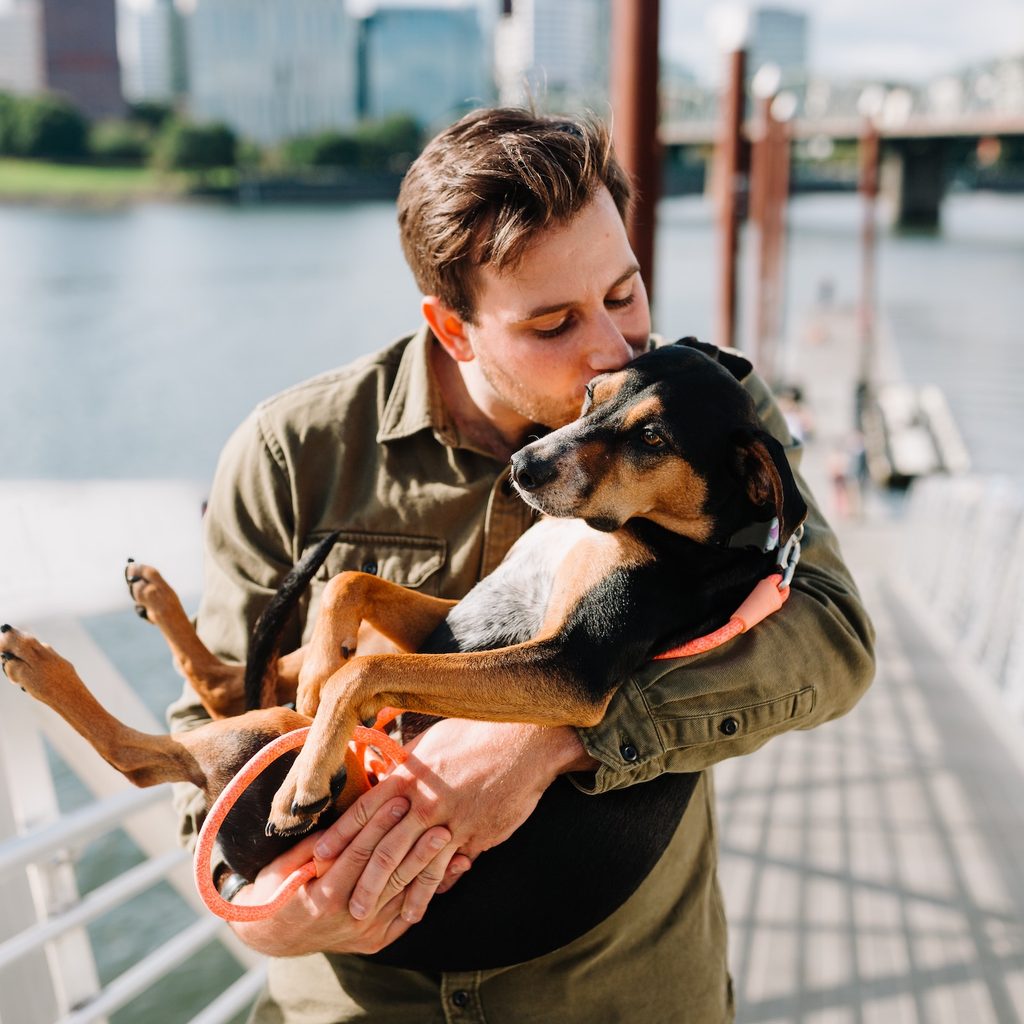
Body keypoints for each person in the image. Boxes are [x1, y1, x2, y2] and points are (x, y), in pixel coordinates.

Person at [169, 107, 874, 1023]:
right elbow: (205, 732)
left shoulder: (712, 410)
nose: (612, 350)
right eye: (551, 323)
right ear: (452, 329)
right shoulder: (288, 453)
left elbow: (834, 636)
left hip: (623, 997)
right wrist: (261, 910)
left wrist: (549, 732)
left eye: (625, 294)